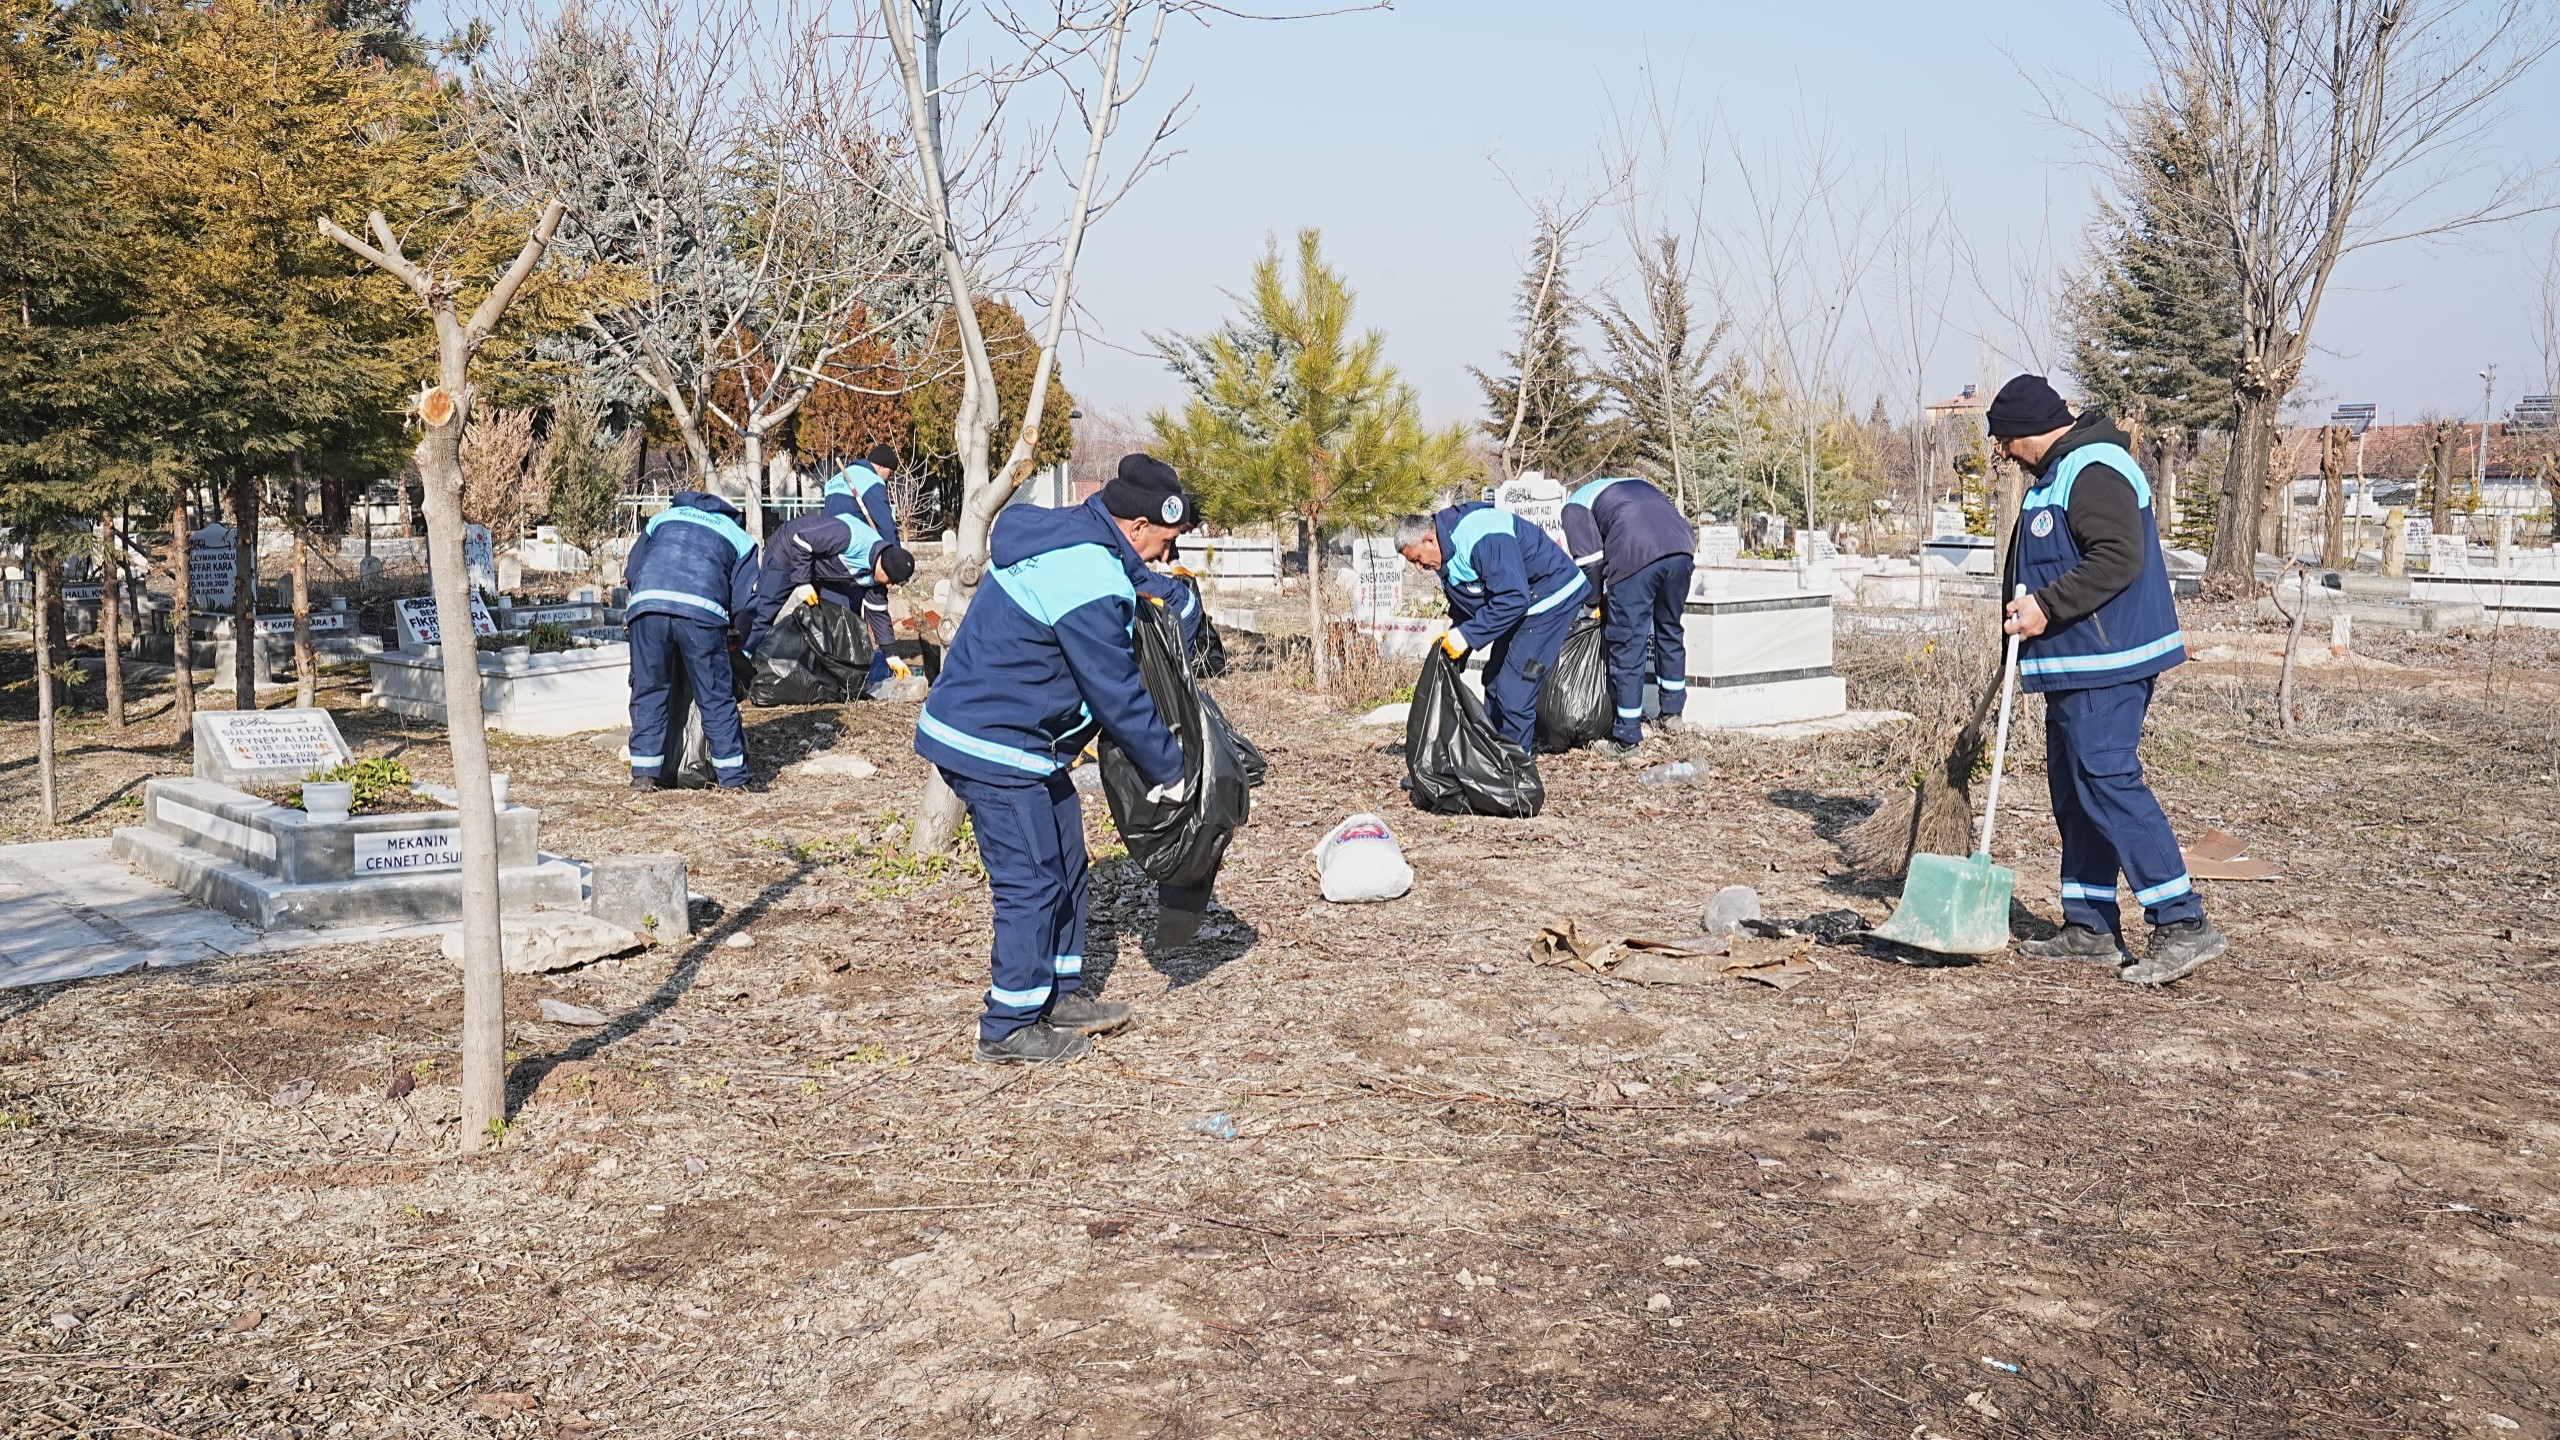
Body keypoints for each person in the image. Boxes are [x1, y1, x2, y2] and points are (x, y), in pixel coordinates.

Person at [915, 454, 1196, 1064]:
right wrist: (1169, 769)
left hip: (1023, 738)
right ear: (1138, 526)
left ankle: (1058, 994)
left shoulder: (1080, 539)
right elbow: (1114, 688)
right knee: (1032, 879)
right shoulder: (1085, 573)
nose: (1167, 554)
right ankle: (1009, 1026)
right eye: (1166, 541)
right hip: (995, 742)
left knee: (1067, 860)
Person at [1985, 373, 2227, 985]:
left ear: (2027, 429)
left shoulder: (2094, 467)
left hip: (2107, 664)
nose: (2003, 452)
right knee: (2075, 790)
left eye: (2004, 439)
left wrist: (2046, 608)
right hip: (2072, 666)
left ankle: (2182, 921)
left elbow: (2118, 556)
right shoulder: (2052, 478)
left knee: (2108, 782)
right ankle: (2090, 925)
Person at [1394, 500, 1588, 752]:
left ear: (1429, 540)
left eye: (1417, 559)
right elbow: (1466, 607)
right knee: (1494, 679)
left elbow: (1513, 597)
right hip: (1522, 602)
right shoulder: (1445, 560)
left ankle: (1516, 767)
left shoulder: (1480, 534)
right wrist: (1453, 652)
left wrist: (1466, 637)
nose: (1419, 568)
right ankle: (1493, 754)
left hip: (1552, 594)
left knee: (1515, 690)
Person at [624, 481, 761, 790]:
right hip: (702, 612)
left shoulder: (662, 519)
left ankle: (644, 774)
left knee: (648, 689)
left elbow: (633, 570)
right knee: (714, 693)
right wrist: (737, 638)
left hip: (647, 607)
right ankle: (733, 778)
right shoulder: (738, 536)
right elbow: (746, 602)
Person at [1562, 475, 1697, 754]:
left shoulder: (1573, 506)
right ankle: (1672, 714)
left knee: (1628, 642)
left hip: (1635, 554)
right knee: (1669, 628)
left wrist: (1590, 605)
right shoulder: (1637, 485)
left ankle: (1626, 737)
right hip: (1681, 549)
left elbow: (1590, 562)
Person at [741, 506, 918, 689]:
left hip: (824, 569)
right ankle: (742, 664)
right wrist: (802, 582)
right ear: (883, 567)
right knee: (764, 612)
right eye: (890, 580)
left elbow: (878, 612)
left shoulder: (879, 575)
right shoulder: (849, 537)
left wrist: (891, 655)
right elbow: (802, 540)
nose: (889, 586)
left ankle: (829, 677)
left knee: (839, 618)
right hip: (787, 550)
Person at [820, 444, 909, 693]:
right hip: (862, 555)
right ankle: (853, 674)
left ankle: (839, 674)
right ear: (881, 466)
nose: (889, 479)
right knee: (866, 608)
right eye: (890, 473)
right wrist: (894, 562)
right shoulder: (872, 481)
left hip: (831, 555)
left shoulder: (834, 480)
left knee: (838, 615)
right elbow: (886, 525)